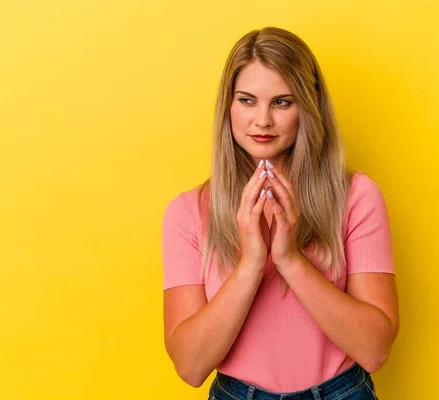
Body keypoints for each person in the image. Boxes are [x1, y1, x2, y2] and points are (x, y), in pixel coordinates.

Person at [161, 26, 399, 400]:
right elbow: (190, 367)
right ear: (228, 106)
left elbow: (374, 350)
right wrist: (252, 263)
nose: (263, 121)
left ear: (308, 106)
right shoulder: (187, 212)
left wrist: (289, 259)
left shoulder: (356, 196)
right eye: (247, 100)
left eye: (282, 102)